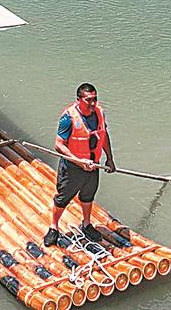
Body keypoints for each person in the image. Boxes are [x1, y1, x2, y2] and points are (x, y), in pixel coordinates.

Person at [44, 83, 115, 248]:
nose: (93, 103)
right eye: (88, 100)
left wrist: (110, 159)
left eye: (95, 99)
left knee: (88, 196)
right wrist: (78, 161)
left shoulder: (100, 113)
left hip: (93, 166)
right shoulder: (68, 117)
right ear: (79, 100)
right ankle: (53, 227)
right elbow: (59, 145)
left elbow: (103, 136)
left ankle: (87, 224)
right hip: (73, 167)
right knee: (63, 198)